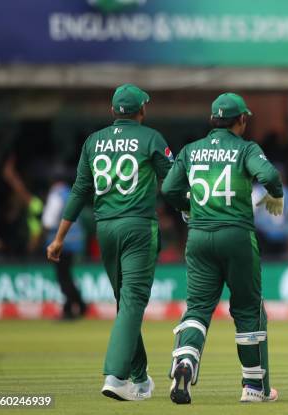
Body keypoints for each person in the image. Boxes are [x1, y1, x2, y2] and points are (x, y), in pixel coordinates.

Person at [46, 83, 173, 401]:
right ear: (141, 111)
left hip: (106, 230)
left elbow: (78, 192)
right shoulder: (150, 138)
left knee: (124, 304)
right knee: (131, 303)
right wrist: (189, 209)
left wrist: (59, 237)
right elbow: (172, 182)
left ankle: (141, 379)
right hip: (139, 227)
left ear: (113, 112)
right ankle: (116, 377)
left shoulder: (93, 141)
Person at [161, 92, 283, 404]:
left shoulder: (190, 150)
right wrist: (276, 194)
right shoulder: (246, 148)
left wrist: (189, 207)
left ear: (213, 120)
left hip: (199, 237)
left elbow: (169, 189)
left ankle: (185, 362)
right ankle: (254, 388)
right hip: (237, 236)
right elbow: (268, 174)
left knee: (198, 308)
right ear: (241, 120)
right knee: (246, 309)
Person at [42, 168, 87, 320]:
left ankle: (72, 307)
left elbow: (48, 220)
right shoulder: (70, 193)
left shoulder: (56, 194)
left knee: (63, 276)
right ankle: (79, 305)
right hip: (76, 241)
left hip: (60, 243)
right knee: (67, 274)